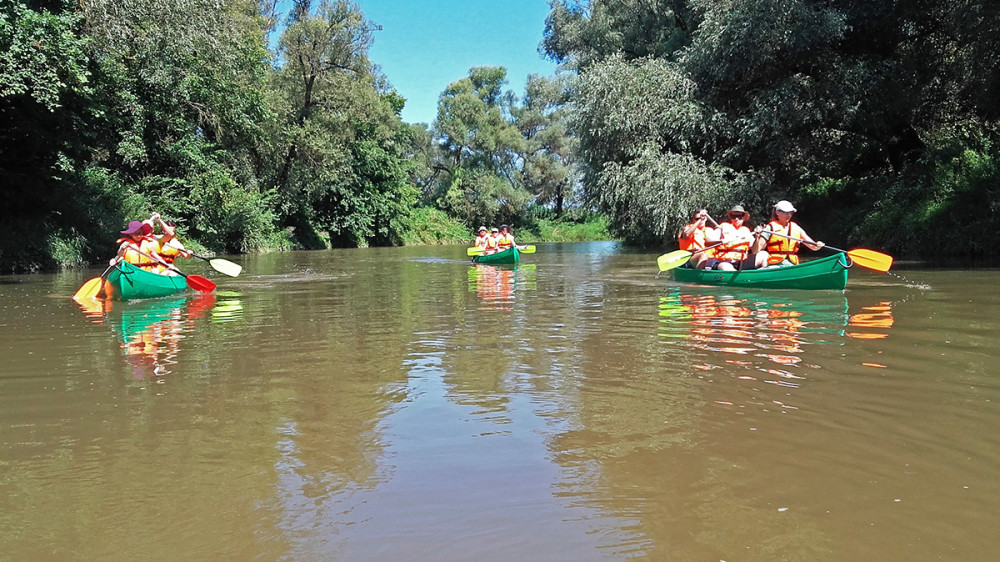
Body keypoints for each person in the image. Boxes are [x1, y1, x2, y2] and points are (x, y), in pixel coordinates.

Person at [754, 200, 825, 267]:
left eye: (791, 212)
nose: (789, 215)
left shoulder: (796, 228)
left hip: (792, 264)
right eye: (786, 212)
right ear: (777, 212)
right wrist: (757, 236)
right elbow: (756, 251)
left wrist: (818, 245)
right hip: (775, 264)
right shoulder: (770, 228)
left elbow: (813, 247)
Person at [713, 205, 767, 271]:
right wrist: (722, 241)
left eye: (739, 216)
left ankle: (762, 275)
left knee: (764, 254)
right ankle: (737, 278)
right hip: (724, 261)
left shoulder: (746, 231)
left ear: (743, 218)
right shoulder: (722, 227)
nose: (736, 219)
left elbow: (754, 251)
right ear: (730, 217)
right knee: (725, 267)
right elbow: (708, 242)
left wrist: (757, 237)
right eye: (734, 216)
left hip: (742, 262)